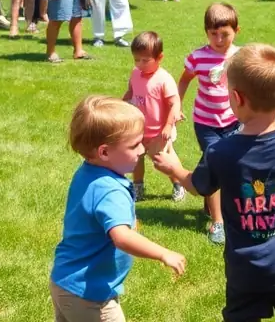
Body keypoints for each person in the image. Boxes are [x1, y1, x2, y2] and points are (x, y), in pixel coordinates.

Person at [154, 44, 275, 322]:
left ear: (236, 98)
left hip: (248, 271)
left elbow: (198, 186)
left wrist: (176, 169)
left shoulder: (221, 152)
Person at [50, 96, 186, 321]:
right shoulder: (111, 190)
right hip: (90, 294)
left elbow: (95, 217)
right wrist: (164, 253)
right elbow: (121, 237)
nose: (142, 150)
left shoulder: (88, 173)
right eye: (134, 145)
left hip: (64, 281)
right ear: (104, 152)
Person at [177, 3, 242, 245]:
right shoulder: (198, 57)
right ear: (206, 32)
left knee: (228, 166)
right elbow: (184, 81)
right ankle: (218, 221)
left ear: (237, 30)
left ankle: (207, 194)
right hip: (206, 123)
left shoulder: (241, 56)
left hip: (234, 122)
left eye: (224, 34)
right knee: (217, 166)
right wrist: (176, 105)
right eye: (213, 34)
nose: (218, 39)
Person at [122, 31, 184, 202]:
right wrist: (120, 105)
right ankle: (138, 187)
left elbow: (174, 103)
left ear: (159, 57)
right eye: (136, 59)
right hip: (139, 128)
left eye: (145, 60)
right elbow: (130, 93)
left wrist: (168, 125)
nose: (139, 64)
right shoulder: (135, 74)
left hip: (159, 132)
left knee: (163, 161)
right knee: (136, 158)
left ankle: (179, 184)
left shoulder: (164, 79)